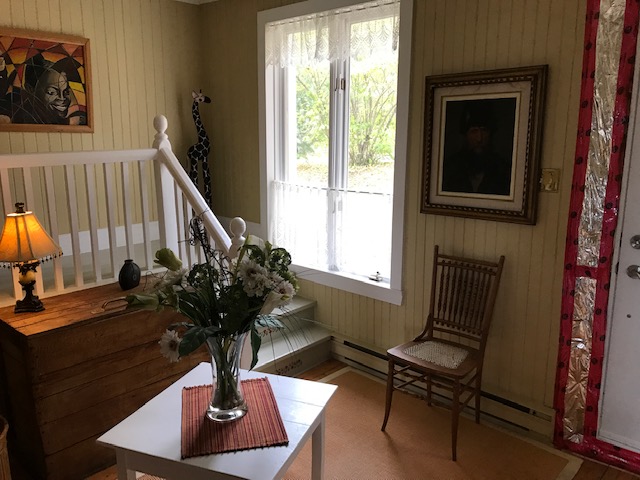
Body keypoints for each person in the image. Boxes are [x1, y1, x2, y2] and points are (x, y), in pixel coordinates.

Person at [441, 100, 513, 196]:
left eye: (484, 130)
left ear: (491, 134)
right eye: (474, 131)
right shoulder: (449, 170)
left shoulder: (504, 171)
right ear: (465, 135)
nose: (479, 138)